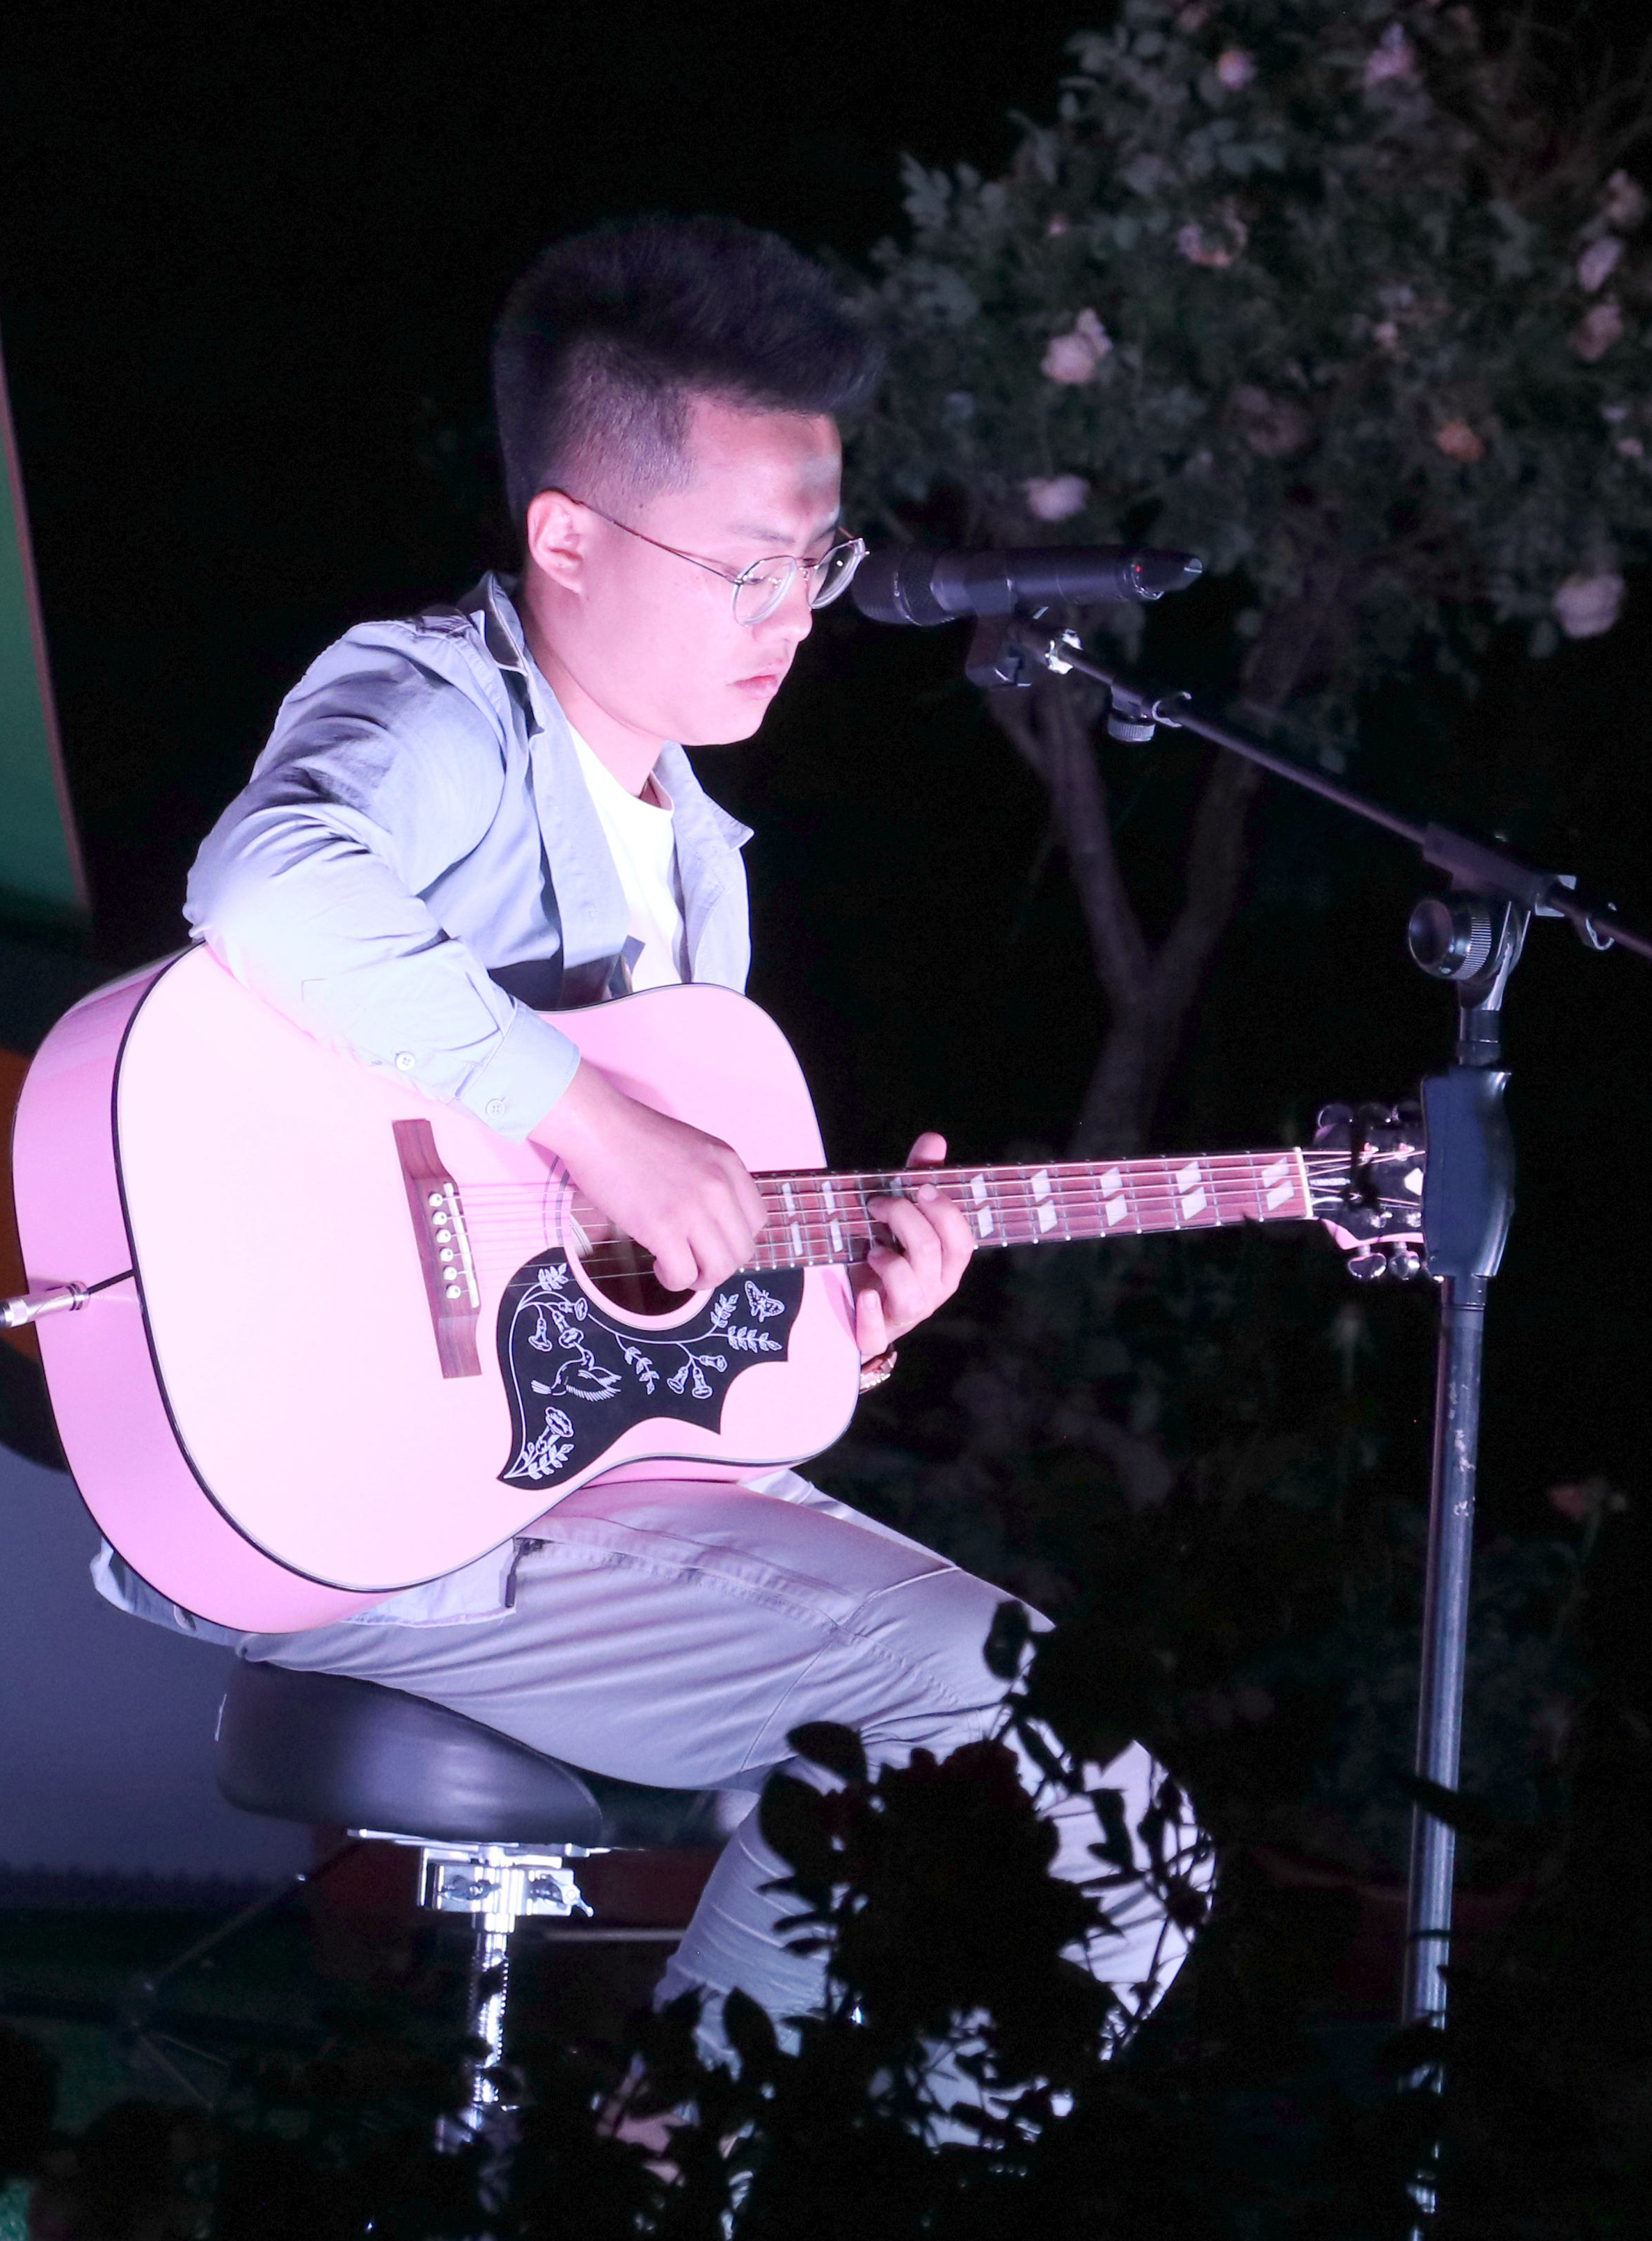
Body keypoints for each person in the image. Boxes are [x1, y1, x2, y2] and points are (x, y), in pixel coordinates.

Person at [90, 213, 1205, 2091]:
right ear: (569, 540)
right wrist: (595, 1123)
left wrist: (829, 1328)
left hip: (558, 1488)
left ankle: (812, 2176)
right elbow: (267, 883)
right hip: (373, 1504)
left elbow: (625, 1320)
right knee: (972, 1699)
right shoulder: (435, 705)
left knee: (1124, 1833)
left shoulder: (697, 850)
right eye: (750, 568)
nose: (800, 613)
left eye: (818, 563)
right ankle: (678, 2179)